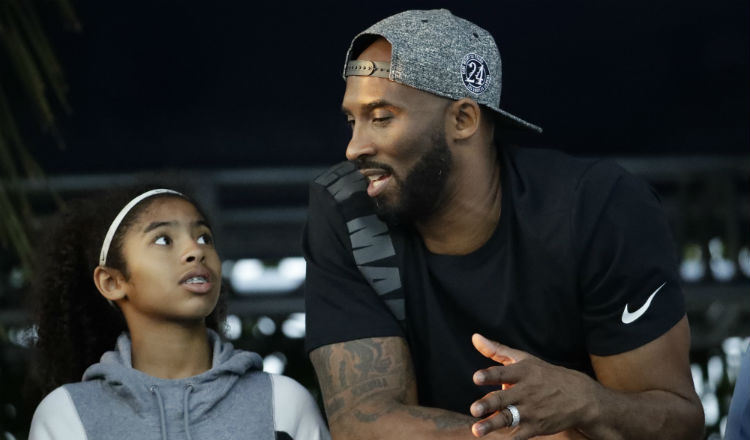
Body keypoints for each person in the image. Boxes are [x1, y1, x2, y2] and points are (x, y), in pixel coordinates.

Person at [302, 8, 704, 440]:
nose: (354, 147)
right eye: (352, 119)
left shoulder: (597, 209)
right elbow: (362, 421)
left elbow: (679, 422)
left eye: (381, 117)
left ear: (463, 120)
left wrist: (586, 401)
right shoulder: (346, 208)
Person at [28, 188, 330, 440]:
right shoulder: (67, 415)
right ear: (113, 282)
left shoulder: (284, 403)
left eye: (204, 238)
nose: (195, 251)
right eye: (163, 240)